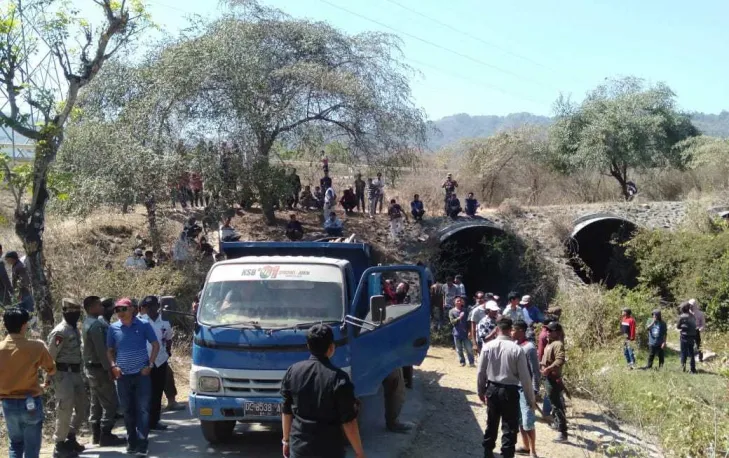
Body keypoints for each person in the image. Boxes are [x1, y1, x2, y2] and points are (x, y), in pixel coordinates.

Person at [280, 324, 365, 458]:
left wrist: (286, 440)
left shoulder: (293, 371)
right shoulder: (339, 378)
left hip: (299, 449)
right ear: (331, 347)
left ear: (308, 346)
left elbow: (286, 410)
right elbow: (348, 421)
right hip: (329, 449)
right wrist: (359, 452)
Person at [107, 298, 160, 456]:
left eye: (123, 309)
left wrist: (150, 365)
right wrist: (113, 366)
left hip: (141, 375)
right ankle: (132, 441)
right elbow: (109, 350)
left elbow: (155, 345)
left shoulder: (143, 325)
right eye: (117, 310)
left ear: (132, 309)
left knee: (143, 409)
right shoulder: (113, 328)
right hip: (122, 376)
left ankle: (142, 443)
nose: (120, 313)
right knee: (127, 410)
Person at [0, 307, 56, 458]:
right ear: (24, 325)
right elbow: (51, 368)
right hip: (30, 402)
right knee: (31, 448)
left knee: (15, 444)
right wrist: (46, 381)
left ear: (5, 325)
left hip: (7, 404)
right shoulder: (36, 346)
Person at [477, 317, 535, 458]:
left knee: (491, 422)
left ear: (497, 329)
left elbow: (481, 372)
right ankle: (506, 455)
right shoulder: (517, 350)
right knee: (509, 427)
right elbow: (525, 378)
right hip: (510, 391)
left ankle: (488, 452)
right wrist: (530, 399)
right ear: (510, 330)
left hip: (492, 389)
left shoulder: (488, 347)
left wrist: (480, 391)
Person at [46, 299, 88, 457]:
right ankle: (59, 445)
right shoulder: (60, 332)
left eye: (77, 312)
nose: (75, 315)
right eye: (72, 312)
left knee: (82, 407)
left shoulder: (74, 329)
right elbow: (50, 356)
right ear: (64, 312)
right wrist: (48, 377)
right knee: (65, 409)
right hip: (63, 375)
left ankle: (70, 437)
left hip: (76, 373)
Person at [82, 296, 125, 447]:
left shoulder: (87, 322)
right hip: (100, 369)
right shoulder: (96, 325)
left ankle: (96, 435)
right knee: (110, 402)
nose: (102, 307)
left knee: (96, 403)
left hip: (91, 369)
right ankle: (105, 435)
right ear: (92, 307)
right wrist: (110, 368)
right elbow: (101, 350)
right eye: (99, 305)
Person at [138, 296, 173, 431]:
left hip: (160, 361)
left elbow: (168, 339)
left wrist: (168, 352)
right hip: (145, 362)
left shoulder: (164, 323)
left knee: (157, 392)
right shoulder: (140, 322)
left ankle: (154, 421)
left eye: (152, 306)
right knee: (145, 393)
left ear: (157, 307)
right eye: (147, 307)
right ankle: (144, 421)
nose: (150, 310)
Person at [512, 321, 540, 458]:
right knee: (520, 420)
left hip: (526, 389)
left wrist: (535, 390)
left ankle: (533, 451)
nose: (511, 332)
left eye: (514, 330)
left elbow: (535, 371)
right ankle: (525, 446)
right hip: (515, 388)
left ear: (521, 331)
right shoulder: (515, 345)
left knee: (528, 420)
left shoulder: (529, 348)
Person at [540, 321, 568, 442]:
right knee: (554, 404)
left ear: (556, 332)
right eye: (547, 330)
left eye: (550, 331)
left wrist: (548, 369)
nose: (547, 333)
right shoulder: (549, 344)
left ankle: (563, 432)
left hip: (553, 379)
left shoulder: (557, 344)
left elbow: (560, 360)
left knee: (557, 406)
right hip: (548, 379)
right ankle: (558, 425)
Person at [449, 297, 475, 367]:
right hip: (457, 333)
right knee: (459, 349)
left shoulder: (465, 310)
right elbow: (452, 322)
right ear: (455, 302)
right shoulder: (451, 311)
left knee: (469, 349)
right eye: (457, 301)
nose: (459, 302)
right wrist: (459, 318)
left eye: (460, 301)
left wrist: (469, 331)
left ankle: (471, 362)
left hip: (466, 333)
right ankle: (462, 362)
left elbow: (469, 322)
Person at [677, 302, 697, 374]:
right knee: (691, 353)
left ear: (683, 308)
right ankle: (693, 369)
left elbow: (678, 326)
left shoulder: (681, 316)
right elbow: (695, 326)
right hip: (691, 337)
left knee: (683, 352)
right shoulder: (693, 316)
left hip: (684, 336)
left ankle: (683, 368)